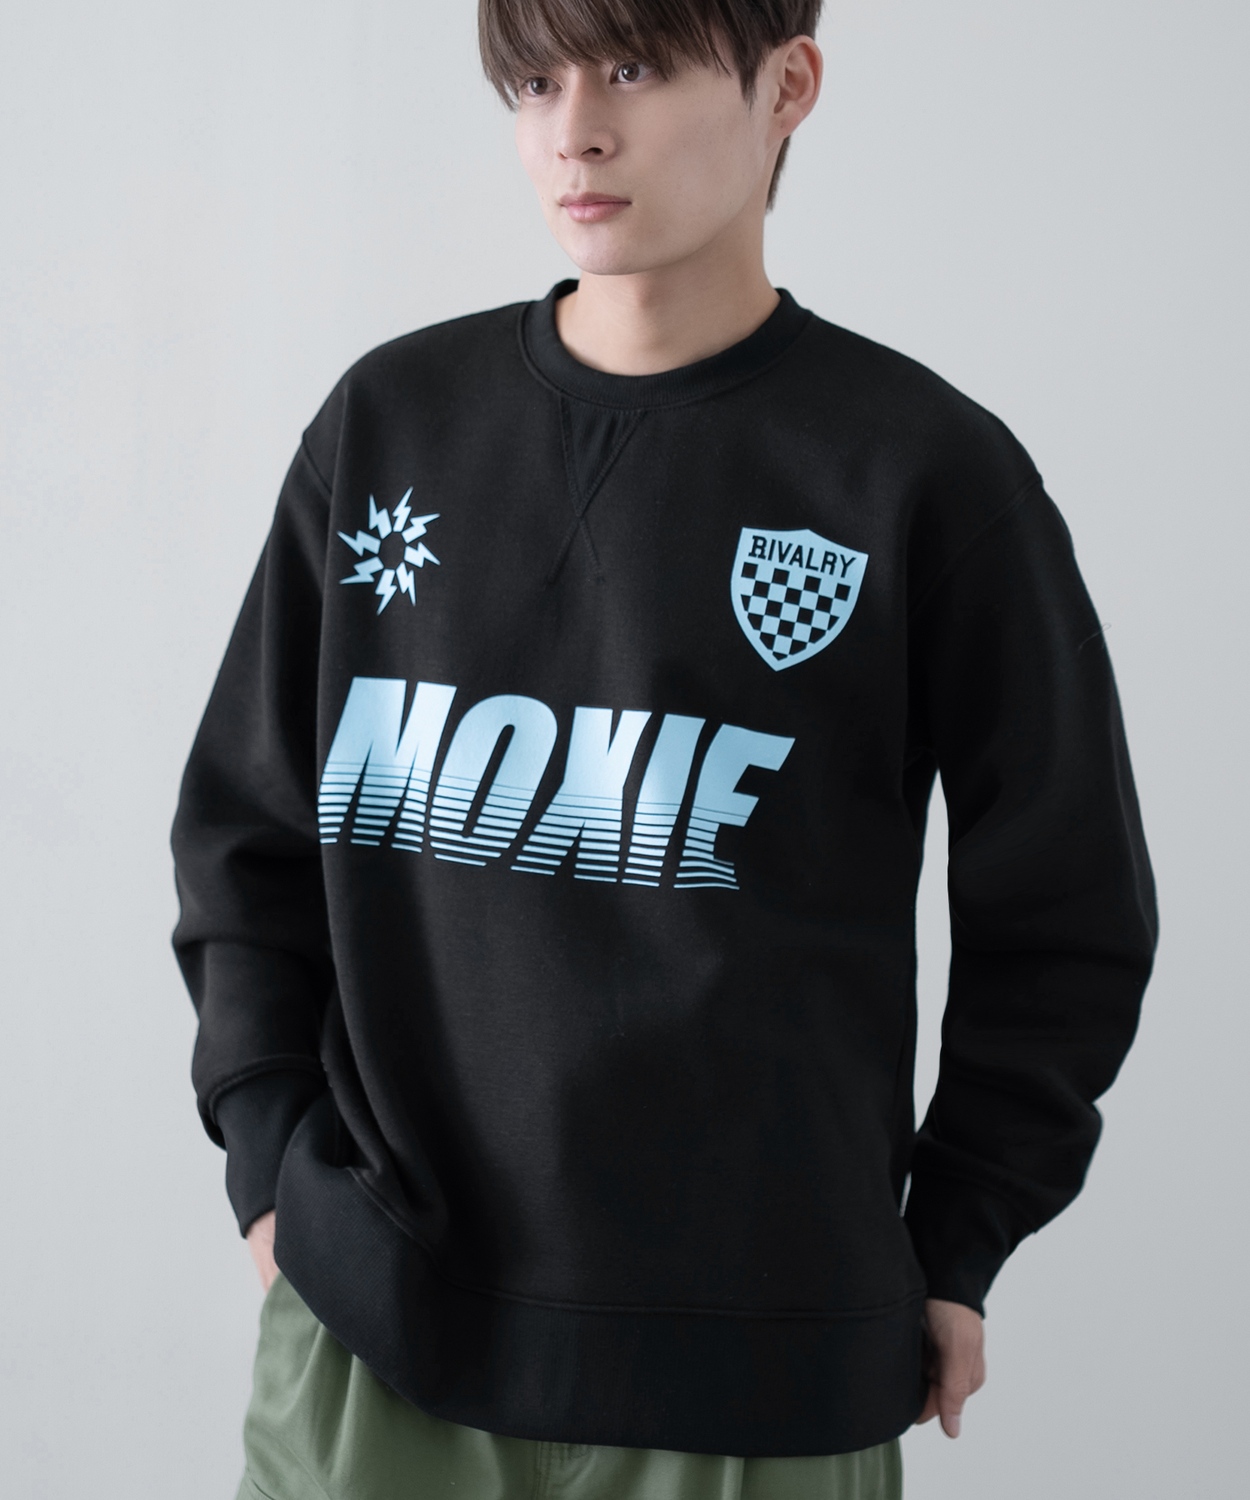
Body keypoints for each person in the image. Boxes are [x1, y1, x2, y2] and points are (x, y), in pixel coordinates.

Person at [171, 2, 1157, 1496]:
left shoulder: (918, 472)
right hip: (375, 1337)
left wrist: (961, 1233)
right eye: (533, 80)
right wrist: (271, 1176)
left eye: (631, 67)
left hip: (756, 1373)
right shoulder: (390, 427)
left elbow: (1066, 909)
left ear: (788, 85)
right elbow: (248, 834)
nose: (573, 129)